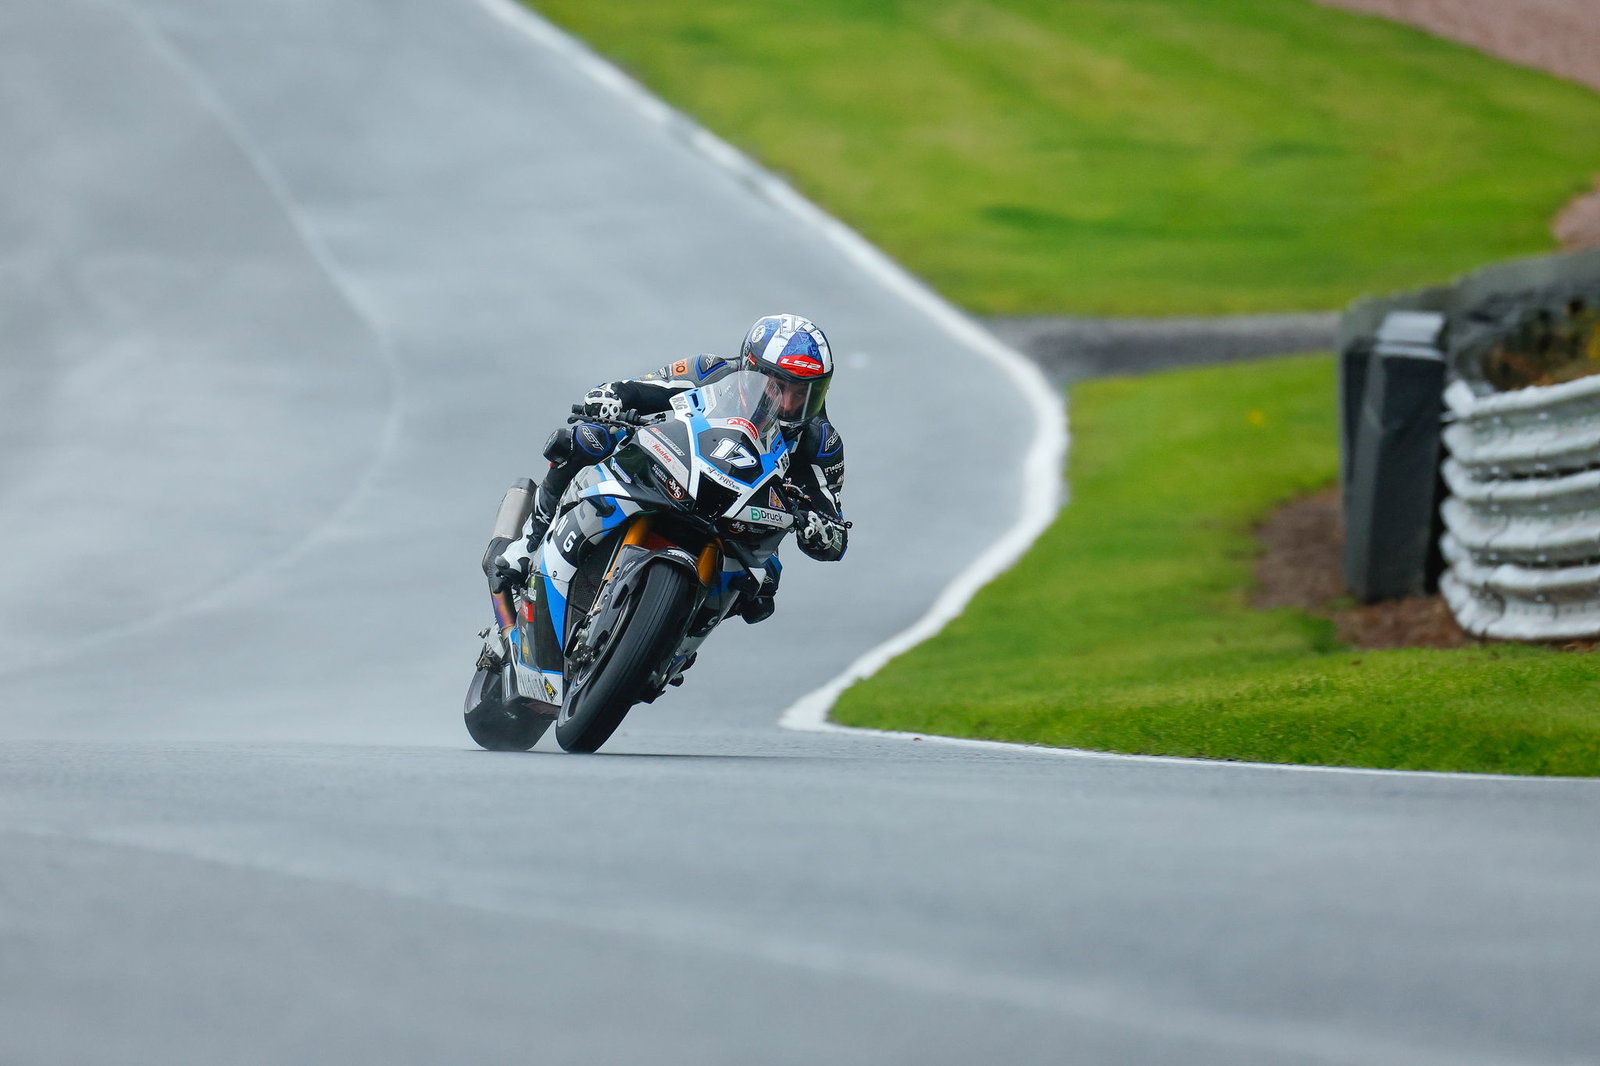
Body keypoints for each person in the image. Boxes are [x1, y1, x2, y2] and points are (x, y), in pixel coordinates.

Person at [482, 313, 849, 623]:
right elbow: (638, 388)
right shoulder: (711, 371)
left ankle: (672, 643)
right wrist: (608, 398)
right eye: (779, 387)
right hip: (671, 471)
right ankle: (529, 543)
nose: (789, 404)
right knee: (585, 439)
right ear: (751, 369)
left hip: (742, 523)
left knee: (763, 587)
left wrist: (821, 531)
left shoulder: (820, 442)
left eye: (803, 394)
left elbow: (833, 523)